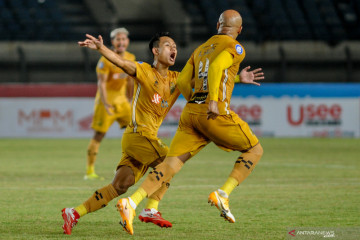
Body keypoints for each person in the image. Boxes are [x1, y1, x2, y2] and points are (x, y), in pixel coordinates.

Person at [116, 9, 265, 235]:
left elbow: (184, 80)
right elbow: (216, 68)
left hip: (191, 113)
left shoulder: (201, 48)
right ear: (240, 30)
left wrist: (200, 99)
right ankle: (223, 194)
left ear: (218, 25)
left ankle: (132, 202)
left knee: (170, 165)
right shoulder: (235, 47)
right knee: (254, 149)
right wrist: (212, 101)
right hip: (214, 113)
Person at [61, 32, 181, 235]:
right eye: (168, 45)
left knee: (119, 186)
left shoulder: (177, 79)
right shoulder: (143, 70)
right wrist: (101, 48)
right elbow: (121, 62)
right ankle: (151, 208)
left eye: (175, 46)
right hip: (139, 135)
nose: (174, 49)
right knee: (170, 162)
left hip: (141, 140)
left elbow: (203, 79)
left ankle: (74, 212)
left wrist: (239, 77)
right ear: (156, 51)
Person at [85, 27, 135, 180]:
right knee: (99, 135)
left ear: (127, 41)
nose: (121, 42)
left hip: (122, 102)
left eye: (123, 39)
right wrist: (106, 104)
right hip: (105, 102)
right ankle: (90, 171)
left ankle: (124, 167)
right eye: (118, 39)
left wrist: (130, 98)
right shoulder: (104, 60)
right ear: (112, 42)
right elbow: (102, 84)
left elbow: (130, 80)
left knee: (134, 131)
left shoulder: (130, 57)